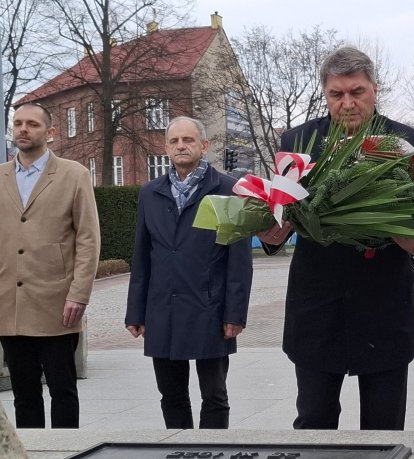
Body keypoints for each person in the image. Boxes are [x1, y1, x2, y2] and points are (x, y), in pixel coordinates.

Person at [258, 46, 414, 431]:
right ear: (325, 94)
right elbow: (277, 231)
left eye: (357, 92)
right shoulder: (298, 142)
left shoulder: (407, 143)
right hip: (317, 310)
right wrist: (267, 226)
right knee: (315, 423)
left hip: (384, 308)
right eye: (337, 94)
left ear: (375, 88)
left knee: (385, 428)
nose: (348, 103)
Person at [125, 117, 253, 429]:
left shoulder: (228, 189)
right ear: (166, 147)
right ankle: (179, 457)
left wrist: (234, 314)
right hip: (162, 308)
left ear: (204, 146)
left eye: (188, 140)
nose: (181, 146)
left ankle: (214, 458)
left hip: (208, 308)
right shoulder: (150, 193)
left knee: (214, 394)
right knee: (171, 394)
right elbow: (142, 256)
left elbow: (238, 259)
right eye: (174, 141)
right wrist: (135, 312)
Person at [0, 103, 101, 428]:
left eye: (32, 124)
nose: (23, 129)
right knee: (24, 394)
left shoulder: (74, 175)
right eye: (17, 123)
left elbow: (88, 238)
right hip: (9, 305)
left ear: (50, 133)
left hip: (58, 304)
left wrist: (79, 294)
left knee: (62, 389)